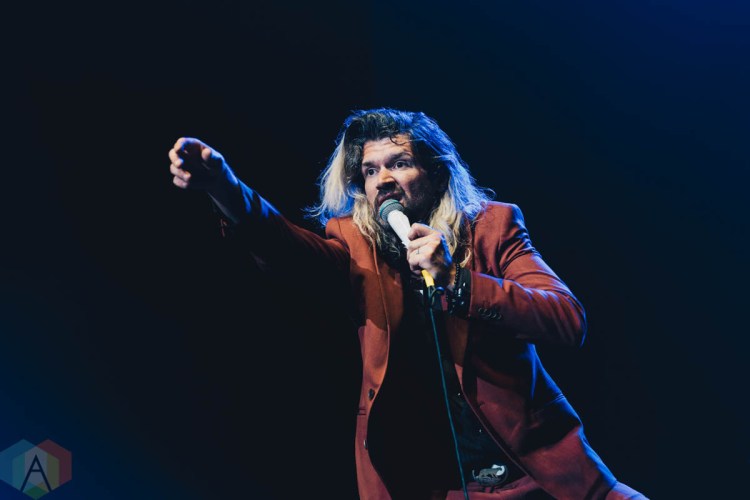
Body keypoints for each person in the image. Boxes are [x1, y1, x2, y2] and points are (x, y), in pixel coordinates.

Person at [168, 108, 647, 499]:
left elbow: (565, 318)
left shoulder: (494, 227)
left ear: (436, 173)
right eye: (370, 171)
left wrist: (457, 281)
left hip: (535, 474)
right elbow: (284, 247)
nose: (383, 180)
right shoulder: (354, 243)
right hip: (430, 485)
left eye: (398, 163)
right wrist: (225, 189)